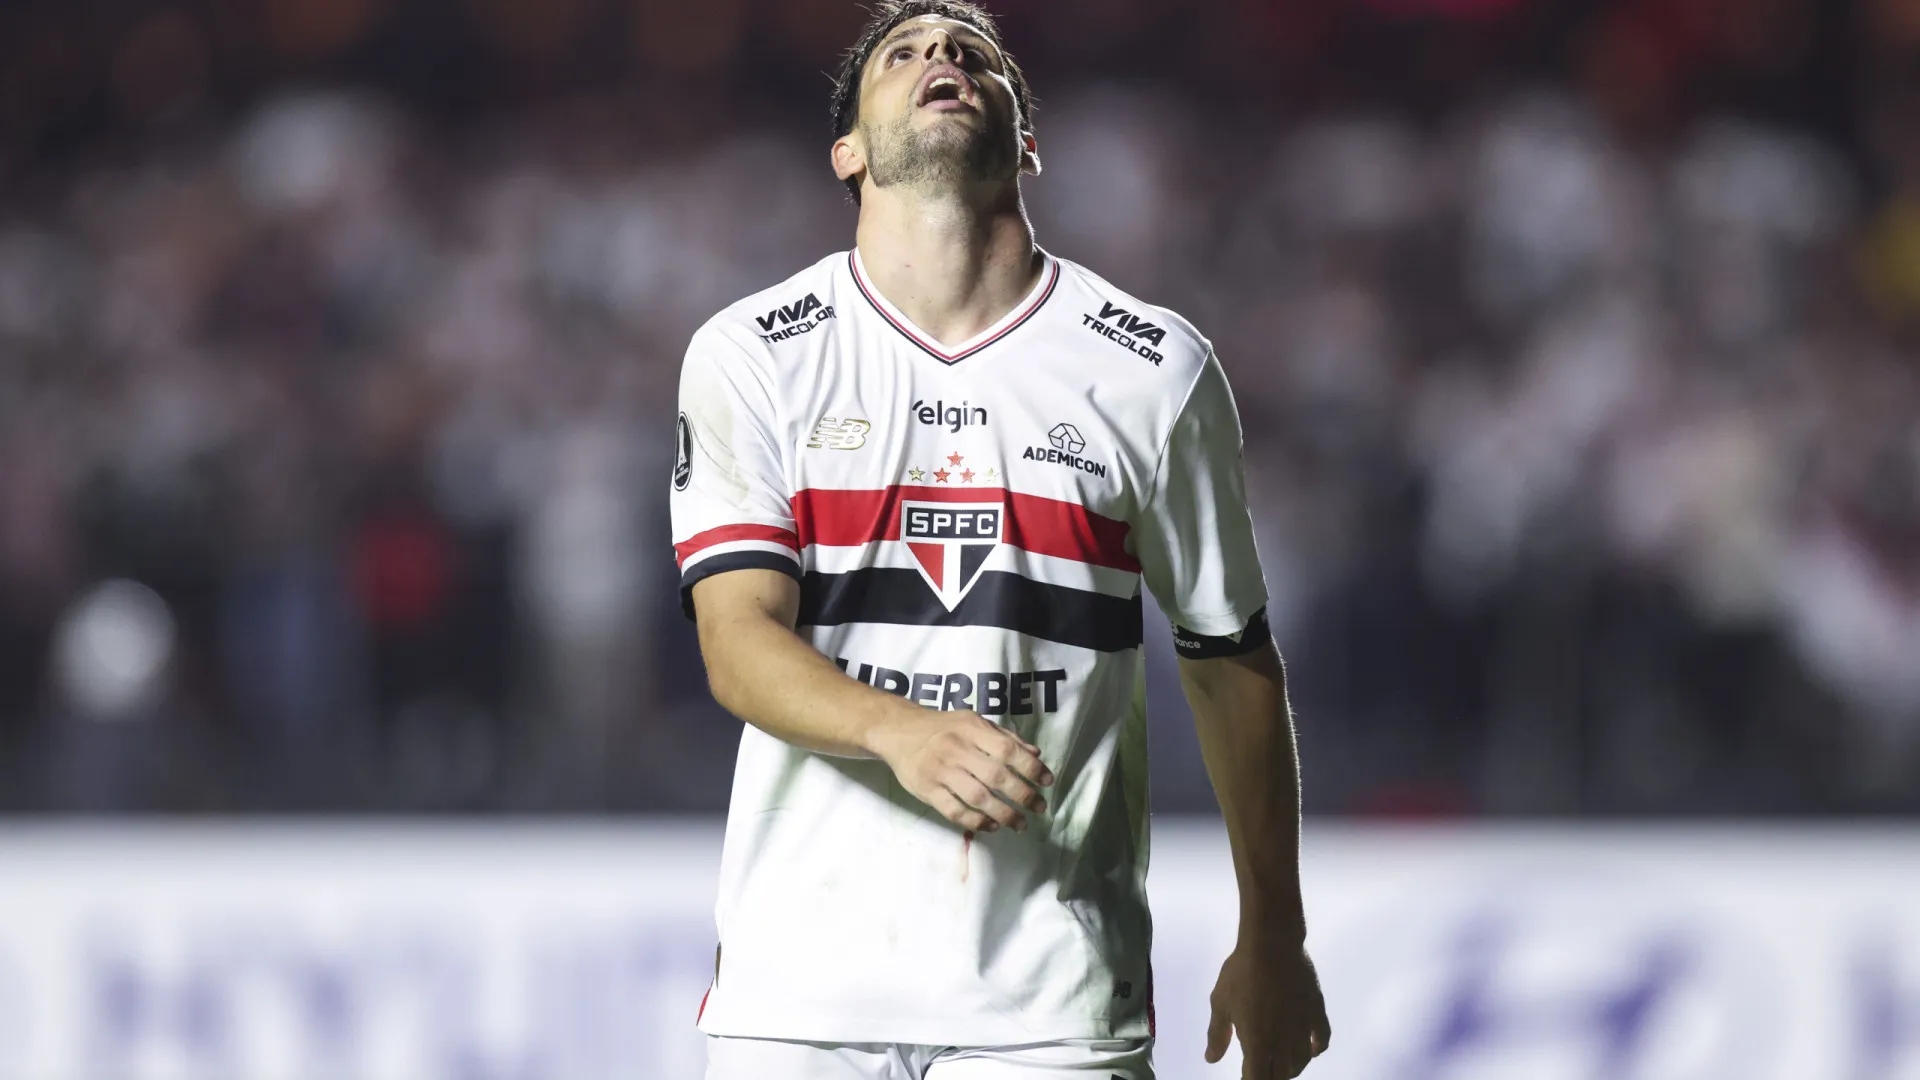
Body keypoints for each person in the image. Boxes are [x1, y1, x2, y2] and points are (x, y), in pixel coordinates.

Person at [669, 3, 1330, 1077]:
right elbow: (735, 642)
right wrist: (901, 732)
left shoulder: (1153, 369)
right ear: (847, 152)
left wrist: (1276, 936)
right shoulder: (755, 353)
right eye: (904, 52)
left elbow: (1230, 659)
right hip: (798, 998)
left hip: (1052, 1003)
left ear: (1027, 141)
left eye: (973, 53)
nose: (942, 55)